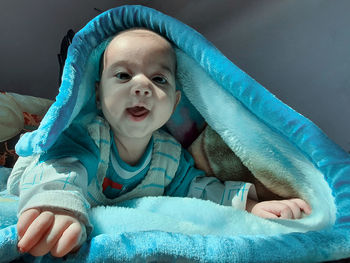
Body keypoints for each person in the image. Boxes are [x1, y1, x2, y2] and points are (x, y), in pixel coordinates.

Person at [8, 29, 311, 258]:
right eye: (124, 75)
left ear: (175, 102)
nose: (141, 86)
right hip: (38, 174)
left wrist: (252, 206)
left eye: (159, 79)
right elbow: (62, 168)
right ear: (99, 95)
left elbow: (198, 188)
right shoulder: (87, 135)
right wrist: (59, 207)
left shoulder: (168, 156)